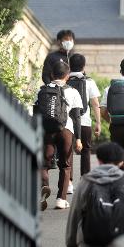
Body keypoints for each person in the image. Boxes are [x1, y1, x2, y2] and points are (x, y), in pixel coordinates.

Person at [37, 61, 83, 210]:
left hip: (47, 130)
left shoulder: (42, 90)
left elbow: (36, 112)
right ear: (67, 76)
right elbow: (76, 116)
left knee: (44, 163)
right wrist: (79, 139)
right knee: (65, 164)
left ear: (51, 75)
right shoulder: (73, 91)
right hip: (66, 130)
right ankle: (61, 199)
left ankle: (44, 186)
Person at [68, 54, 101, 177]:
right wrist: (98, 122)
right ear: (84, 66)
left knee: (68, 151)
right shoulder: (89, 81)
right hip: (85, 121)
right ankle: (85, 178)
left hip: (68, 122)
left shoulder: (64, 80)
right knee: (86, 150)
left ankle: (69, 182)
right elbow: (95, 103)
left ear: (69, 65)